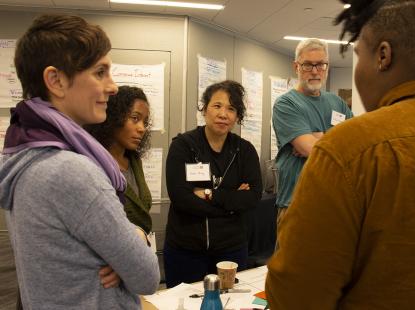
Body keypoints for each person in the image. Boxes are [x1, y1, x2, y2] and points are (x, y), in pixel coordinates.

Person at [266, 0, 415, 309]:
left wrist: (329, 139)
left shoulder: (348, 151)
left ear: (382, 55)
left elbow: (295, 296)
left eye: (358, 55)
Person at [0, 14, 160, 309]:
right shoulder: (70, 171)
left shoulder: (26, 156)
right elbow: (148, 277)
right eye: (100, 72)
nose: (112, 87)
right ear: (56, 80)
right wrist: (136, 236)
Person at [164, 80, 262, 288]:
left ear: (237, 116)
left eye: (231, 108)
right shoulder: (183, 146)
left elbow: (253, 197)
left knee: (232, 303)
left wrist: (209, 194)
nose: (223, 114)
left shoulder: (244, 151)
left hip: (231, 249)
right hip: (185, 250)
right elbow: (181, 198)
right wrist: (231, 205)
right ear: (204, 109)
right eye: (217, 106)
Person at [272, 38, 353, 224]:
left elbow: (356, 143)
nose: (315, 71)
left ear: (327, 66)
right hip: (296, 204)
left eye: (321, 65)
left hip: (334, 202)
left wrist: (321, 136)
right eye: (308, 65)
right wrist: (332, 140)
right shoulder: (286, 104)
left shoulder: (337, 102)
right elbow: (310, 149)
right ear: (296, 67)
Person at [86, 85, 153, 234]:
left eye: (145, 122)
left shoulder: (135, 161)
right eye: (135, 118)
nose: (142, 128)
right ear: (115, 117)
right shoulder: (94, 164)